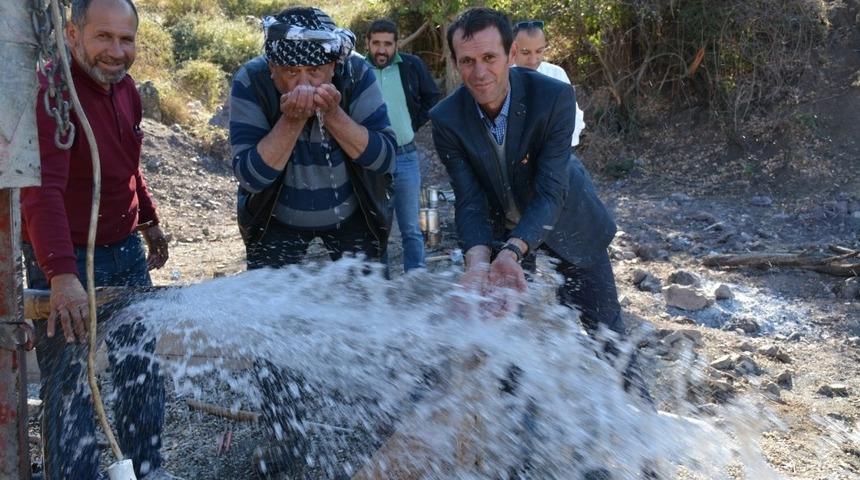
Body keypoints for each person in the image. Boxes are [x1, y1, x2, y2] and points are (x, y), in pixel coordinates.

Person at [20, 0, 177, 478]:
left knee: (140, 368)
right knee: (70, 382)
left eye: (126, 39)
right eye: (103, 37)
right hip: (66, 256)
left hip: (125, 248)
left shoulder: (126, 89)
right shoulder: (52, 94)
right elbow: (40, 190)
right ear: (72, 34)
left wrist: (147, 220)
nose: (117, 51)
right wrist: (61, 275)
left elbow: (127, 165)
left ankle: (146, 468)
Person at [430, 6, 627, 357]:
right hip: (501, 228)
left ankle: (629, 396)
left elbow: (551, 190)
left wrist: (512, 251)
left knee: (609, 340)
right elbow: (470, 200)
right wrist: (477, 262)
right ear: (455, 63)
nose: (479, 73)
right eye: (467, 61)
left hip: (569, 217)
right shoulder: (446, 118)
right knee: (504, 344)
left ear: (511, 55)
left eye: (489, 58)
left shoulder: (553, 97)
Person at [230, 7, 395, 271]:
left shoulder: (355, 72)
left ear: (333, 67)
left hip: (354, 214)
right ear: (272, 68)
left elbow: (384, 159)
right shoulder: (251, 80)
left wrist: (333, 115)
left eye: (314, 70)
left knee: (368, 292)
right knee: (268, 297)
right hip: (275, 218)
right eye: (291, 72)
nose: (304, 85)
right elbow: (250, 178)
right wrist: (291, 121)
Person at [365, 19, 440, 272]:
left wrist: (412, 123)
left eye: (388, 44)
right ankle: (380, 284)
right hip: (370, 159)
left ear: (397, 44)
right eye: (376, 43)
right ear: (368, 43)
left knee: (411, 228)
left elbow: (432, 96)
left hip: (405, 155)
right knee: (376, 228)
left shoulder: (411, 65)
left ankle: (416, 281)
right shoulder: (357, 69)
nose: (381, 49)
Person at [512, 19, 585, 147]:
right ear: (513, 49)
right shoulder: (501, 77)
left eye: (539, 51)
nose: (533, 60)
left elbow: (573, 117)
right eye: (525, 52)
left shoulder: (556, 74)